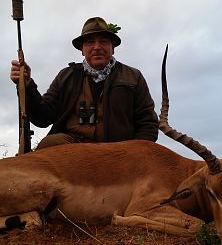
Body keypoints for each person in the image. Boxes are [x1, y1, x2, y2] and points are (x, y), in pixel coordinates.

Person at [10, 17, 159, 149]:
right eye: (89, 42)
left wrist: (134, 153)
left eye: (103, 41)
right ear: (82, 49)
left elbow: (148, 124)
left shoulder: (133, 76)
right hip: (74, 150)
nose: (97, 47)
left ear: (113, 48)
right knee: (50, 143)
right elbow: (43, 118)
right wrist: (27, 85)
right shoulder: (66, 76)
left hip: (118, 152)